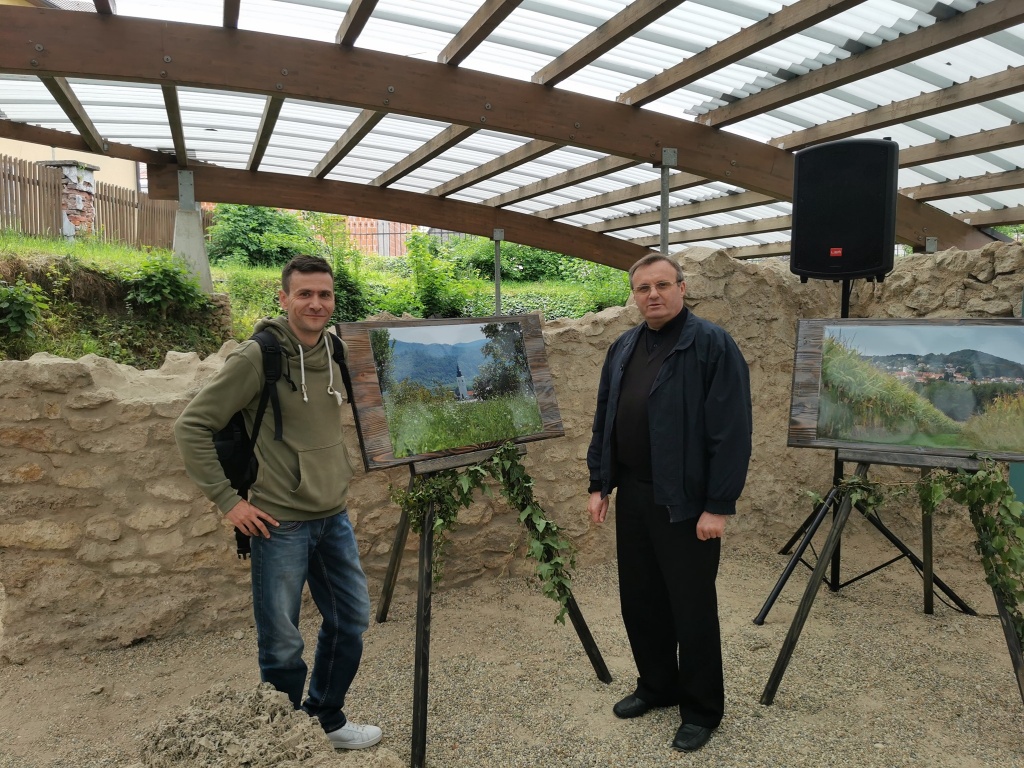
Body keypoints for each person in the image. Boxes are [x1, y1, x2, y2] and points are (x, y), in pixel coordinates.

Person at [174, 255, 380, 751]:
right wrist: (229, 503)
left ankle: (325, 718)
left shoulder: (335, 350)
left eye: (324, 294)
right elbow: (192, 425)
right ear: (284, 298)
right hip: (278, 522)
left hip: (333, 516)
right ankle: (284, 742)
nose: (316, 303)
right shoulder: (257, 357)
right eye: (304, 294)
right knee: (282, 641)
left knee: (351, 620)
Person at [586, 253, 752, 753]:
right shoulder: (623, 347)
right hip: (635, 494)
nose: (652, 295)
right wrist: (599, 483)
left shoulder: (711, 344)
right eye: (643, 288)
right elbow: (605, 417)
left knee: (691, 607)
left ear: (682, 287)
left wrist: (718, 505)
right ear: (634, 296)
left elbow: (731, 431)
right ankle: (657, 686)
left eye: (662, 285)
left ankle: (701, 709)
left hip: (687, 503)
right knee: (641, 600)